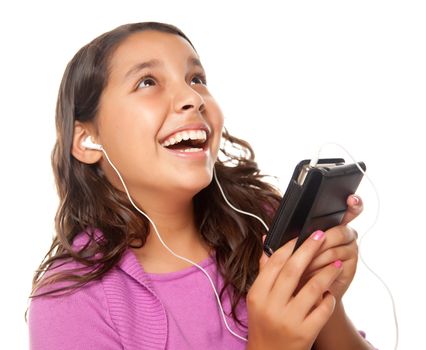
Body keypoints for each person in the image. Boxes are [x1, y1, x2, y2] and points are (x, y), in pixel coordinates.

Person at [27, 21, 376, 349]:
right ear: (87, 140)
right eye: (147, 82)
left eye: (196, 78)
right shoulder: (70, 301)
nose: (193, 98)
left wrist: (325, 298)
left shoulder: (263, 225)